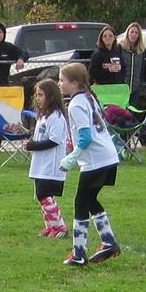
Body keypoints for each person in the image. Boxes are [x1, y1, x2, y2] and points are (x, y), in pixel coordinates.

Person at [57, 61, 123, 266]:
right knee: (91, 200)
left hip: (96, 160)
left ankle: (79, 253)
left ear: (75, 83)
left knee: (81, 203)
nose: (59, 84)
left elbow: (85, 137)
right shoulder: (88, 97)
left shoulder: (76, 104)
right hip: (107, 157)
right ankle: (109, 242)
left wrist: (71, 158)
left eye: (62, 80)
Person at [24, 78, 69, 237]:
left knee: (45, 195)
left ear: (50, 97)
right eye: (36, 95)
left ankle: (60, 227)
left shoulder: (56, 116)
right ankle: (51, 226)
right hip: (41, 164)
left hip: (51, 164)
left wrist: (33, 146)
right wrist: (31, 142)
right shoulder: (43, 116)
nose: (37, 98)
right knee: (41, 195)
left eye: (41, 95)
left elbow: (54, 140)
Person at [117, 23, 146, 108]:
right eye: (132, 32)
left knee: (132, 110)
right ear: (127, 33)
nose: (134, 34)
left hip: (135, 87)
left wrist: (139, 82)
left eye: (136, 33)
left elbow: (142, 69)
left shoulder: (141, 50)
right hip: (122, 87)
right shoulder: (120, 47)